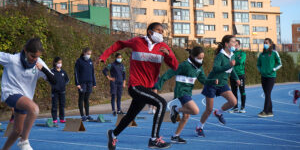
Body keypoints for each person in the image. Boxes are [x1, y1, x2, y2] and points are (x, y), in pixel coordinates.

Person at [99, 22, 178, 150]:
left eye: (162, 31)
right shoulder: (137, 41)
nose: (161, 33)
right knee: (162, 103)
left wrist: (169, 55)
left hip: (147, 88)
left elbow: (175, 66)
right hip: (135, 86)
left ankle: (112, 134)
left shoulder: (163, 46)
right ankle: (154, 139)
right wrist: (104, 55)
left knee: (130, 116)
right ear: (150, 32)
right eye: (159, 30)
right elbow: (120, 44)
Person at [1, 38, 56, 150]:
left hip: (24, 99)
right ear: (25, 50)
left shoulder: (39, 63)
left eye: (37, 57)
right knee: (34, 109)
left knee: (17, 131)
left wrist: (44, 70)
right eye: (32, 56)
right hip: (10, 94)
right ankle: (24, 141)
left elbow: (55, 81)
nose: (34, 59)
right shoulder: (12, 59)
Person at [155, 46, 217, 144]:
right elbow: (169, 73)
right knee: (195, 111)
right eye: (199, 58)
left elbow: (203, 80)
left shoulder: (199, 68)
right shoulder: (184, 65)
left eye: (202, 58)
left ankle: (175, 136)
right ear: (193, 56)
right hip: (181, 91)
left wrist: (212, 81)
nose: (201, 60)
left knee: (186, 116)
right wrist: (159, 84)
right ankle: (175, 109)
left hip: (188, 92)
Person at [197, 35, 240, 137]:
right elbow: (216, 68)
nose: (235, 44)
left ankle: (218, 113)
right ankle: (199, 127)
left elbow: (231, 69)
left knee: (233, 102)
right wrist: (229, 65)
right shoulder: (220, 56)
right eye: (233, 42)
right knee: (209, 109)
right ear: (226, 44)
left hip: (222, 83)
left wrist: (236, 78)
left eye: (235, 42)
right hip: (212, 83)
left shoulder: (232, 55)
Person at [257, 38, 282, 117]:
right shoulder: (262, 54)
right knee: (267, 94)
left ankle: (265, 111)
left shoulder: (274, 53)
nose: (265, 44)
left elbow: (280, 63)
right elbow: (258, 65)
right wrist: (260, 70)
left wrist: (273, 69)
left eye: (267, 43)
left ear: (270, 44)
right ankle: (270, 111)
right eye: (264, 43)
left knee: (267, 93)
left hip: (271, 76)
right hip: (263, 76)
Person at [75, 47, 96, 121]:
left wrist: (94, 82)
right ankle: (82, 115)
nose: (89, 55)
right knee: (81, 98)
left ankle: (87, 115)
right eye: (88, 54)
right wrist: (77, 83)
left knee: (87, 98)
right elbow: (76, 73)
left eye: (90, 54)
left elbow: (93, 72)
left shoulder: (90, 61)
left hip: (89, 82)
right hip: (82, 83)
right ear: (84, 53)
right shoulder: (79, 61)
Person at [229, 40, 247, 113]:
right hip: (232, 74)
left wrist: (233, 61)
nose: (234, 46)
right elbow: (228, 62)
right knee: (234, 92)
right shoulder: (230, 53)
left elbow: (240, 61)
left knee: (242, 91)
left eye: (236, 45)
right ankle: (235, 107)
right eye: (233, 45)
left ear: (239, 45)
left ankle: (242, 107)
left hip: (240, 74)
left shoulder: (242, 53)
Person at [51, 57, 69, 124]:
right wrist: (54, 86)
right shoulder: (52, 71)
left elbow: (67, 80)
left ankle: (62, 118)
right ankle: (54, 119)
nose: (60, 64)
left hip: (62, 91)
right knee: (54, 105)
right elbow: (49, 79)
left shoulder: (63, 71)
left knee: (62, 105)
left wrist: (63, 84)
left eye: (61, 63)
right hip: (54, 91)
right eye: (58, 63)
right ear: (55, 63)